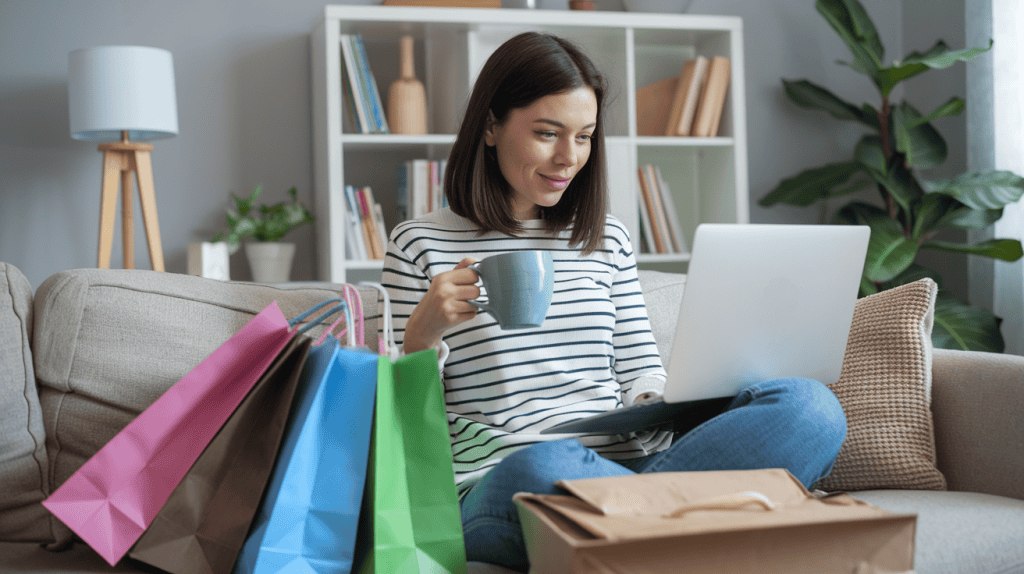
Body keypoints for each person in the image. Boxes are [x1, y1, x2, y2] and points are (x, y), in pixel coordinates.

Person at [381, 31, 846, 570]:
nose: (567, 158)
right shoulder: (419, 244)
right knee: (546, 464)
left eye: (584, 137)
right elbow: (402, 429)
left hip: (623, 470)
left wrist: (659, 402)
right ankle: (701, 524)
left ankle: (645, 534)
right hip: (505, 483)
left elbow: (638, 370)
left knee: (811, 408)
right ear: (490, 125)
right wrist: (424, 334)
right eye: (547, 133)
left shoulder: (607, 238)